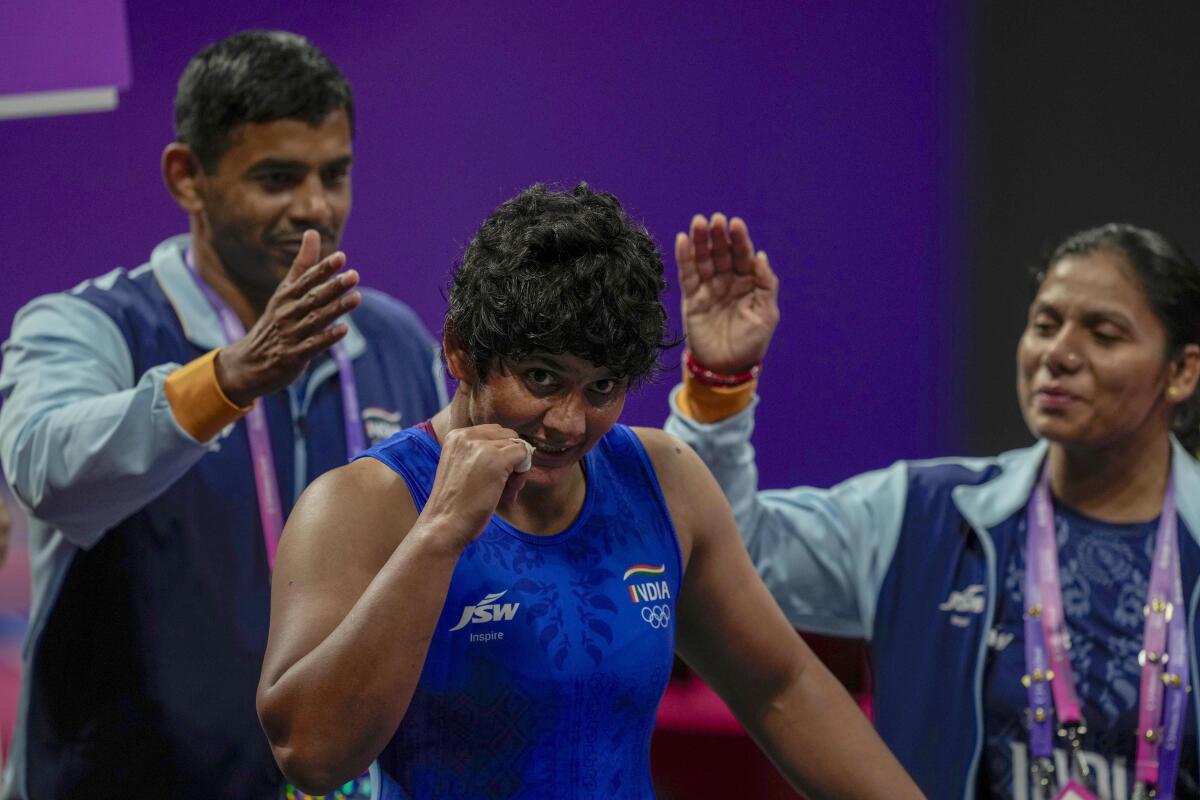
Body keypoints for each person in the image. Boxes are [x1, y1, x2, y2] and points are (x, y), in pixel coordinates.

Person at [255, 183, 923, 800]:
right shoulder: (360, 505)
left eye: (601, 388)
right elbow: (309, 754)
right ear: (460, 352)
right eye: (542, 378)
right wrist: (439, 534)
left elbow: (784, 687)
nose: (569, 423)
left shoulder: (662, 482)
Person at [0, 31, 445, 797]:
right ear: (188, 177)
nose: (314, 208)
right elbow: (47, 473)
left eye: (334, 175)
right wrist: (228, 379)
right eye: (276, 178)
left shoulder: (397, 342)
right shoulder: (88, 326)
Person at [665, 216, 1200, 799]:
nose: (1059, 353)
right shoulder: (924, 513)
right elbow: (728, 556)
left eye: (1104, 333)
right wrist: (718, 386)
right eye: (1045, 324)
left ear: (1180, 372)